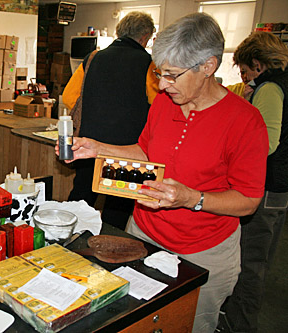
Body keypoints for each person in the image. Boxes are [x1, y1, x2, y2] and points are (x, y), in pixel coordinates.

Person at [57, 13, 269, 333]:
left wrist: (191, 198)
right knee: (135, 321)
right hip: (143, 235)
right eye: (159, 73)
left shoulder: (245, 121)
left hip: (204, 251)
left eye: (171, 75)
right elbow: (145, 154)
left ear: (208, 66)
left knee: (188, 325)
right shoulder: (165, 103)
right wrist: (98, 147)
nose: (162, 84)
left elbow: (248, 200)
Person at [62, 11, 159, 230]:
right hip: (127, 152)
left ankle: (65, 245)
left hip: (89, 144)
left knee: (80, 200)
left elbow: (69, 98)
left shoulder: (93, 58)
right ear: (144, 37)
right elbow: (158, 107)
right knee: (117, 210)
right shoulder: (148, 64)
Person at [219, 31, 288, 333]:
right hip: (279, 188)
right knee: (258, 262)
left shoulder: (270, 87)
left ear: (257, 64)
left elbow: (266, 143)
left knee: (249, 267)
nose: (245, 78)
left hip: (267, 189)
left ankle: (239, 326)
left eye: (246, 71)